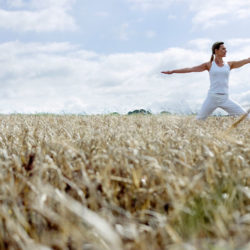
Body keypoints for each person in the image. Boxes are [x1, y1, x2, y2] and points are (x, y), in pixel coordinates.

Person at [161, 41, 250, 120]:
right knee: (199, 120)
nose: (225, 50)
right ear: (216, 50)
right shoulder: (209, 65)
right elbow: (190, 69)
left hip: (225, 98)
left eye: (225, 49)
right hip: (212, 98)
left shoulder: (230, 64)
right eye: (223, 49)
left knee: (246, 117)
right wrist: (172, 71)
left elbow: (246, 60)